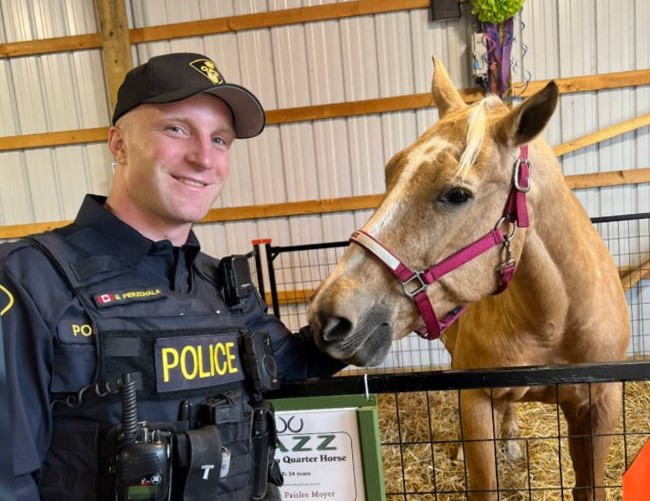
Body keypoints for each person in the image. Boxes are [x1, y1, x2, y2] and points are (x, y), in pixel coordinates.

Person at [0, 52, 345, 501]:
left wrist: (394, 304)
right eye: (176, 129)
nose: (204, 157)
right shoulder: (29, 280)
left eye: (220, 139)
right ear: (119, 144)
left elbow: (297, 365)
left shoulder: (224, 288)